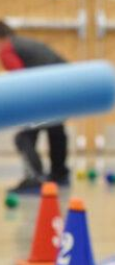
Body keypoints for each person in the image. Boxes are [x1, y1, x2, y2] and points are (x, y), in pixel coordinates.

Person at [0, 20, 70, 194]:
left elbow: (22, 80)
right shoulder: (23, 42)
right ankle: (60, 174)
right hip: (65, 85)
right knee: (55, 130)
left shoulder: (6, 48)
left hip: (46, 90)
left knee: (24, 137)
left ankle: (35, 178)